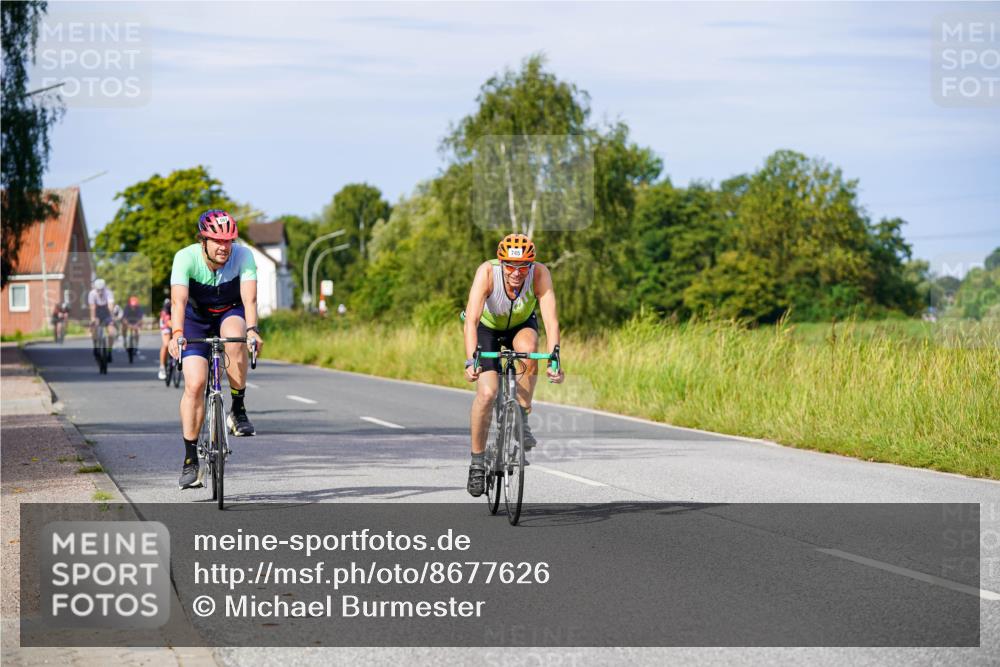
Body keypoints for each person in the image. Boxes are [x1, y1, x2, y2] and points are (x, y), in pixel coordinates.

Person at [462, 233, 564, 497]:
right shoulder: (486, 273)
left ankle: (522, 416)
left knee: (529, 351)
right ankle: (477, 463)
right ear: (501, 263)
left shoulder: (540, 274)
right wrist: (471, 359)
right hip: (487, 329)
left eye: (523, 267)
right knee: (487, 394)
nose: (516, 273)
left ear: (530, 265)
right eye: (510, 266)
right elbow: (471, 320)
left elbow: (551, 321)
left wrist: (555, 359)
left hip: (520, 326)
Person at [168, 209, 264, 489]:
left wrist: (252, 330)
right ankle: (190, 461)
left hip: (229, 312)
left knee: (236, 338)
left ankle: (238, 408)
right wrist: (176, 335)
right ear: (203, 241)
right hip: (194, 320)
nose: (224, 247)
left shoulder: (243, 256)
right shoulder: (185, 258)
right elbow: (178, 302)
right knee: (195, 384)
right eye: (217, 241)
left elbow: (250, 298)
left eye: (229, 241)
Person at [87, 278, 116, 360]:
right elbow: (92, 308)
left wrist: (112, 318)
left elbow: (110, 306)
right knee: (94, 326)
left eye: (101, 290)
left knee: (111, 332)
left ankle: (109, 351)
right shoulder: (92, 294)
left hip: (106, 311)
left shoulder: (108, 292)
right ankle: (95, 345)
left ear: (104, 288)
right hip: (97, 311)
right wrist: (92, 318)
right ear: (95, 288)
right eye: (98, 290)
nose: (100, 292)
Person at [158, 298, 172, 380]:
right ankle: (162, 367)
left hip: (175, 320)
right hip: (165, 322)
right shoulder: (167, 306)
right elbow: (167, 321)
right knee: (166, 344)